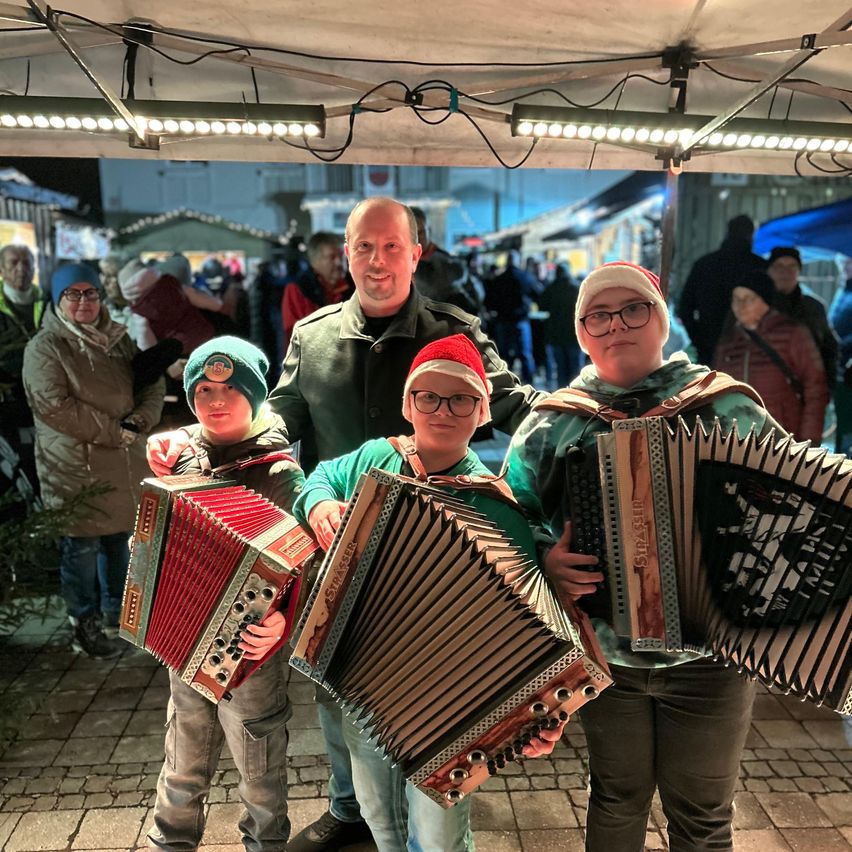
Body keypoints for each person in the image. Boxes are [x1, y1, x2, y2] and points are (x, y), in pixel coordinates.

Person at [147, 196, 541, 852]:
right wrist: (201, 432)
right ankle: (349, 805)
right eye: (364, 247)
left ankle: (432, 812)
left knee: (436, 697)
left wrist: (580, 416)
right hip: (339, 558)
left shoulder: (454, 331)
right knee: (336, 696)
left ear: (417, 253)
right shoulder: (315, 334)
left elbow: (515, 403)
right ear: (344, 256)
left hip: (430, 566)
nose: (377, 260)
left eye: (392, 247)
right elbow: (277, 415)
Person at [505, 261, 781, 852]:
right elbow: (505, 520)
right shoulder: (552, 422)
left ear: (661, 320)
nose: (615, 325)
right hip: (608, 658)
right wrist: (543, 560)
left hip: (713, 656)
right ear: (580, 332)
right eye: (597, 315)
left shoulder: (726, 409)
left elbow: (790, 504)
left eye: (633, 309)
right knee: (614, 798)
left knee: (704, 817)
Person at [293, 334, 564, 852]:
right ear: (407, 405)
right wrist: (320, 504)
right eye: (428, 396)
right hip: (366, 674)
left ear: (483, 410)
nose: (443, 410)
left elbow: (526, 621)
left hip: (450, 697)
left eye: (461, 398)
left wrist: (536, 710)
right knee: (378, 810)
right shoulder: (376, 456)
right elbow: (322, 475)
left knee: (438, 832)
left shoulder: (498, 508)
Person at [147, 336, 303, 852]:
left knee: (259, 768)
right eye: (204, 388)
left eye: (232, 388)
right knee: (183, 754)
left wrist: (285, 620)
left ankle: (265, 844)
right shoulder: (182, 457)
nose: (216, 400)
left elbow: (309, 561)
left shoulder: (280, 472)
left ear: (256, 395)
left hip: (254, 649)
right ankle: (171, 841)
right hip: (186, 639)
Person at [22, 263, 164, 658]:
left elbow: (151, 383)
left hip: (120, 459)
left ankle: (117, 617)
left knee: (118, 541)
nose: (84, 301)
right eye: (73, 294)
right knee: (82, 548)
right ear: (58, 299)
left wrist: (139, 420)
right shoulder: (46, 346)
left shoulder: (117, 340)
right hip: (74, 466)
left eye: (91, 293)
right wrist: (113, 430)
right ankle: (82, 623)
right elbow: (53, 405)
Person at [714, 270, 829, 443]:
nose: (741, 305)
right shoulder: (729, 341)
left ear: (765, 301)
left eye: (749, 298)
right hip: (737, 444)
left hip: (782, 440)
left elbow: (816, 390)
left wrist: (808, 443)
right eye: (736, 299)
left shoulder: (793, 334)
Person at [677, 214, 766, 364]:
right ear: (751, 235)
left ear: (728, 232)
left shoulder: (705, 265)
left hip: (710, 346)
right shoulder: (760, 267)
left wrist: (699, 340)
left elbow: (685, 308)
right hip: (752, 349)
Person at [0, 244, 44, 497]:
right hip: (9, 406)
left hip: (45, 401)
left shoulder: (48, 301)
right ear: (2, 270)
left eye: (27, 263)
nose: (21, 269)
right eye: (13, 263)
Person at [767, 246, 839, 391]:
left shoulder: (814, 308)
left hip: (804, 395)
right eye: (779, 265)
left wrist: (826, 388)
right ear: (769, 270)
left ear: (798, 271)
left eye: (791, 266)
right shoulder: (755, 306)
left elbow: (829, 349)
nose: (785, 272)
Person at [281, 232, 352, 350]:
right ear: (315, 261)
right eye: (332, 257)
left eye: (341, 257)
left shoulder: (354, 287)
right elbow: (292, 337)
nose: (339, 263)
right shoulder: (298, 290)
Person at [411, 206, 484, 318]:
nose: (416, 238)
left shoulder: (448, 264)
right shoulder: (398, 264)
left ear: (429, 231)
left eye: (420, 232)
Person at [484, 250, 540, 383]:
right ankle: (529, 382)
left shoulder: (498, 279)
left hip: (502, 321)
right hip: (521, 321)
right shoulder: (525, 277)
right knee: (525, 354)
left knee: (504, 355)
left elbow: (489, 301)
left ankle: (505, 382)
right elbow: (538, 294)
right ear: (518, 261)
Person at [539, 261, 581, 388]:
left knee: (560, 368)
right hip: (574, 334)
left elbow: (542, 305)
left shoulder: (551, 288)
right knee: (576, 369)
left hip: (556, 335)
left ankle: (563, 396)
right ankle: (577, 394)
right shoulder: (577, 287)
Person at [829, 258, 852, 454]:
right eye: (843, 262)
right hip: (839, 369)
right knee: (843, 421)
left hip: (848, 368)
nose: (845, 267)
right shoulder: (843, 290)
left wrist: (839, 344)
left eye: (850, 262)